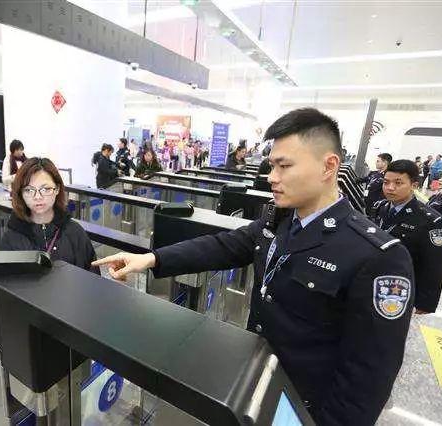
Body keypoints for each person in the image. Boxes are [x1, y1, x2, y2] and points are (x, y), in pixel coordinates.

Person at [93, 108, 414, 425]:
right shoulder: (282, 220)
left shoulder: (377, 256)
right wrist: (151, 258)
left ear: (328, 166)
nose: (272, 177)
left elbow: (367, 378)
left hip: (303, 409)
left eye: (284, 166)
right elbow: (223, 246)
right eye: (272, 165)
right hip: (259, 385)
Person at [369, 160, 442, 314]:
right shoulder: (380, 207)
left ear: (414, 185)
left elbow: (433, 265)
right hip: (371, 279)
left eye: (398, 183)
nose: (390, 188)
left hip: (400, 288)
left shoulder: (430, 220)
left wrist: (426, 303)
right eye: (386, 182)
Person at [0, 157, 99, 273]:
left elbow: (92, 277)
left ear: (57, 189)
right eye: (29, 190)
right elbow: (3, 281)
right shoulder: (11, 238)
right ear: (20, 193)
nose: (37, 197)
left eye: (45, 189)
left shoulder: (75, 233)